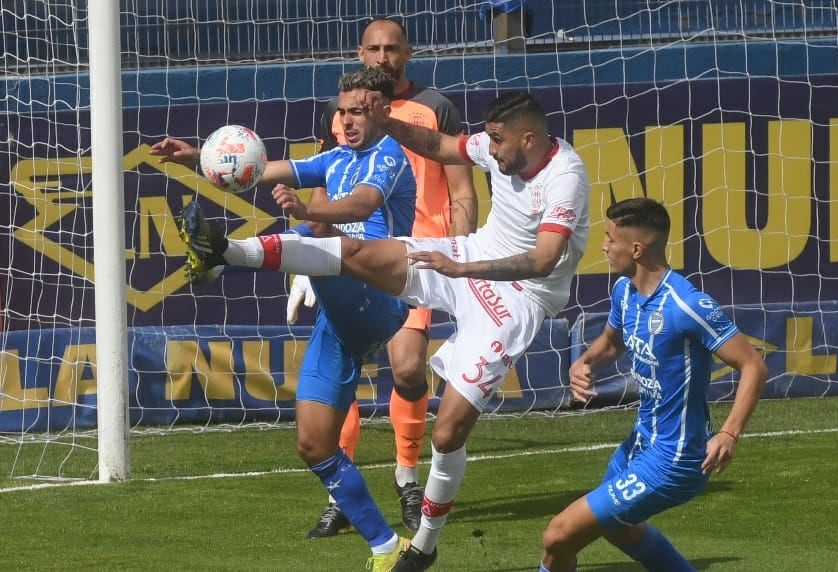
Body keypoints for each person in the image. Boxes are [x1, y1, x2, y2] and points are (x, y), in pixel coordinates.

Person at [175, 90, 590, 571]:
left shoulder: (565, 178)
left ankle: (424, 545)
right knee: (351, 254)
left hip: (516, 298)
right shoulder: (354, 154)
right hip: (466, 257)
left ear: (530, 138)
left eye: (497, 141)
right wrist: (389, 121)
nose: (489, 150)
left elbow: (542, 261)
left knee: (450, 431)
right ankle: (223, 252)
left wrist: (462, 267)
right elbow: (440, 146)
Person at [152, 67, 417, 572]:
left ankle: (223, 251)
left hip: (378, 293)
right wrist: (201, 160)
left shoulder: (390, 157)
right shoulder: (335, 158)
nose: (347, 121)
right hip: (339, 321)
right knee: (314, 443)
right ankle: (387, 549)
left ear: (383, 111)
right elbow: (267, 169)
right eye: (343, 111)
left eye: (359, 111)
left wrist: (309, 208)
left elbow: (364, 202)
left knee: (322, 240)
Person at [295, 16, 478, 539]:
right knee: (343, 374)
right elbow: (326, 183)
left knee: (406, 369)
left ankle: (405, 475)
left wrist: (459, 248)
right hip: (349, 258)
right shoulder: (345, 111)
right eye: (373, 48)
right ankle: (340, 494)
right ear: (360, 52)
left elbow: (461, 187)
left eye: (391, 48)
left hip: (412, 262)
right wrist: (309, 250)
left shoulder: (436, 108)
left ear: (408, 52)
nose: (382, 57)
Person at [539, 197, 768, 572]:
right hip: (641, 445)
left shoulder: (687, 305)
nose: (604, 246)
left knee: (558, 535)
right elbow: (613, 341)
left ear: (636, 249)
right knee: (617, 529)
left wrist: (729, 433)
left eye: (610, 238)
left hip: (676, 459)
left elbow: (753, 365)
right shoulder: (625, 292)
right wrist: (585, 361)